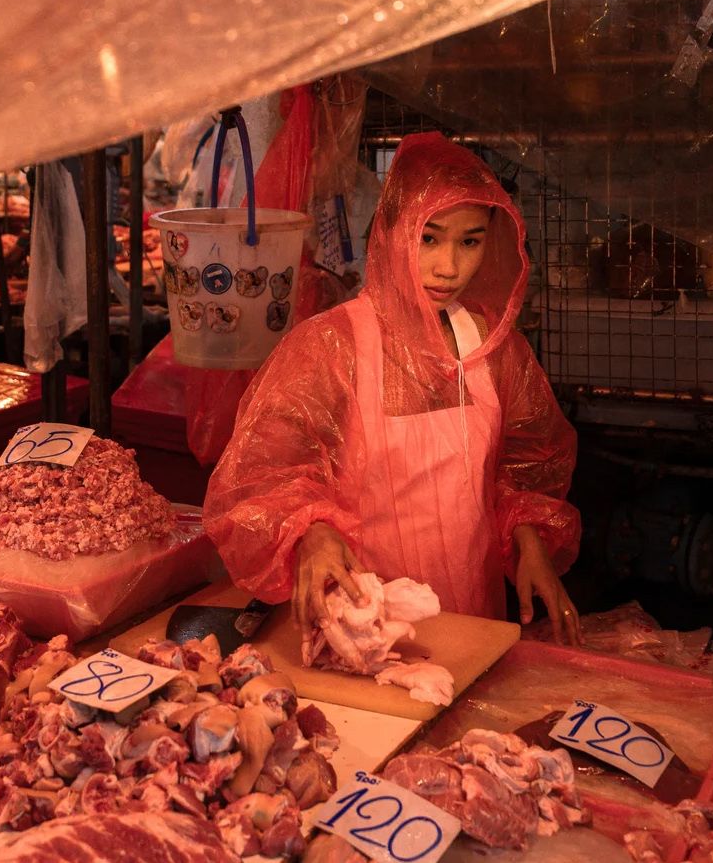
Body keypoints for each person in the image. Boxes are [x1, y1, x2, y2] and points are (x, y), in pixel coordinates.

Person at [204, 132, 583, 646]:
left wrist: (528, 535)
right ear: (392, 231)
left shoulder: (496, 349)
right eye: (429, 237)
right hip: (359, 625)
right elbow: (263, 479)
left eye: (470, 241)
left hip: (474, 620)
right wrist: (311, 530)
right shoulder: (330, 346)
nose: (448, 266)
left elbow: (523, 463)